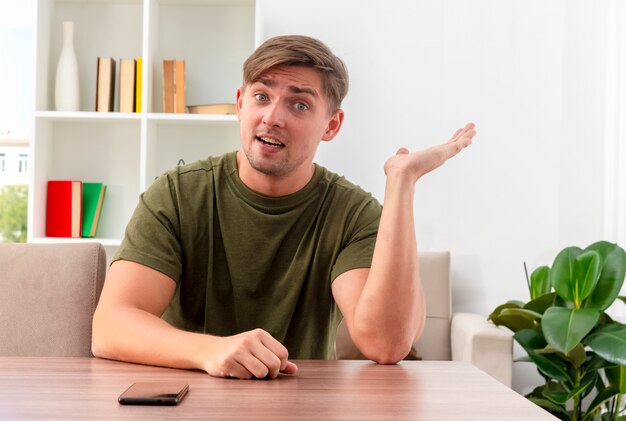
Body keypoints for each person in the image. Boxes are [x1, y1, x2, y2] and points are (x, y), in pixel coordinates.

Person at [92, 35, 475, 380]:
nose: (272, 117)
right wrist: (211, 350)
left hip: (305, 404)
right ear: (240, 104)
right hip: (191, 398)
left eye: (299, 104)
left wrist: (401, 185)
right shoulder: (176, 195)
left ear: (332, 125)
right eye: (262, 96)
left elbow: (386, 344)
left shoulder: (353, 213)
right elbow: (111, 326)